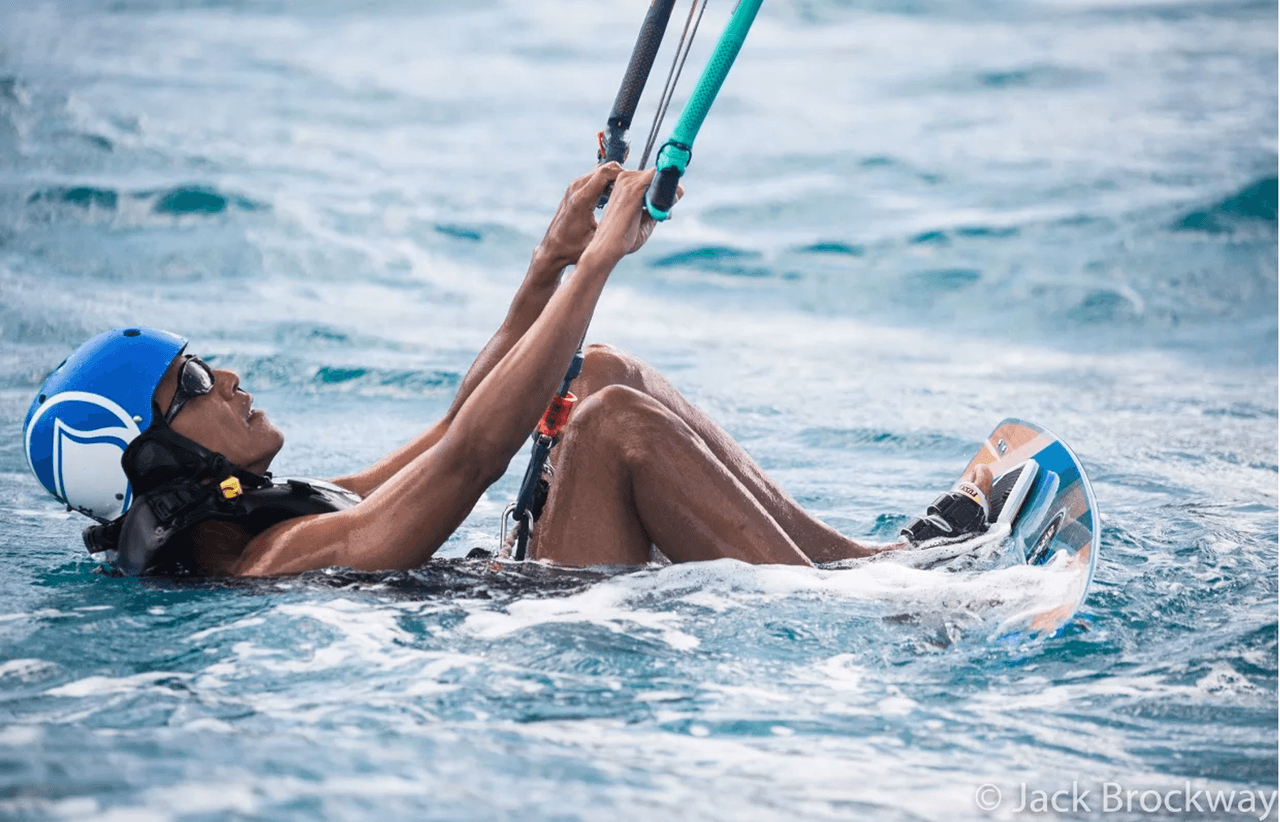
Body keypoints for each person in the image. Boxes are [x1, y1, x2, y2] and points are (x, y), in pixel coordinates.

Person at [23, 165, 994, 577]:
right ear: (151, 465)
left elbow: (450, 433)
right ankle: (883, 611)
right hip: (546, 633)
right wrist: (605, 260)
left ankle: (868, 567)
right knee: (611, 424)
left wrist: (550, 259)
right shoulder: (272, 562)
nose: (226, 376)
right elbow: (470, 462)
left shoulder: (282, 508)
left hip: (525, 589)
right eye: (190, 386)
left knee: (596, 366)